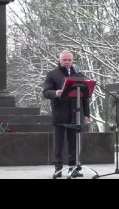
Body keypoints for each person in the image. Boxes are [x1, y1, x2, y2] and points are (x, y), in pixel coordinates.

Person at [42, 50, 90, 178]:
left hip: (76, 114)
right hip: (60, 113)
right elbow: (46, 92)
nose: (67, 62)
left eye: (69, 60)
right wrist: (56, 93)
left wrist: (86, 114)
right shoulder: (52, 74)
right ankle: (58, 169)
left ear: (72, 60)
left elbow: (85, 97)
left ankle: (73, 168)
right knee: (59, 143)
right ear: (59, 60)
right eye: (64, 60)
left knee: (74, 143)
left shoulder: (79, 75)